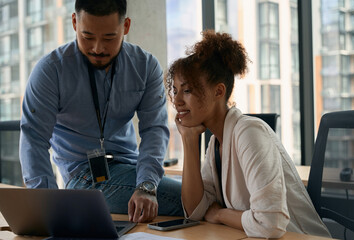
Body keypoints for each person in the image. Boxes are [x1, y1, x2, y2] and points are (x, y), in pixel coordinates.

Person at [20, 0, 183, 223]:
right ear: (75, 23)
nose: (97, 48)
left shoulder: (145, 66)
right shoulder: (51, 71)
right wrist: (50, 208)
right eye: (87, 37)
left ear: (125, 26)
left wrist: (147, 185)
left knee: (200, 190)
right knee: (194, 198)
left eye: (109, 38)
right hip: (82, 177)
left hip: (130, 168)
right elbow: (33, 140)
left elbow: (155, 130)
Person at [165, 30, 331, 238]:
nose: (177, 100)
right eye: (176, 90)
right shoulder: (215, 143)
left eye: (187, 90)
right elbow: (196, 211)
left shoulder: (249, 132)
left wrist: (220, 215)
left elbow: (271, 224)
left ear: (218, 92)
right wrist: (189, 141)